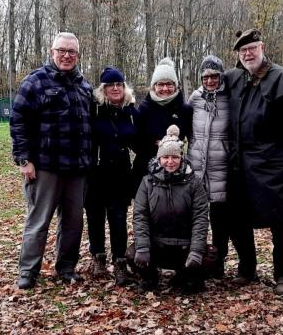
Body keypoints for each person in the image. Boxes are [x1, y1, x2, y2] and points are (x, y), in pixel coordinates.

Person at [225, 28, 283, 296]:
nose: (248, 54)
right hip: (239, 163)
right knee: (238, 219)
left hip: (272, 163)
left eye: (252, 49)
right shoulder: (235, 78)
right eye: (243, 51)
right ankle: (247, 268)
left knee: (279, 221)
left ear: (262, 48)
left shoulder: (282, 80)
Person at [10, 32, 92, 290]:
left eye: (72, 51)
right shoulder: (35, 82)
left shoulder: (84, 86)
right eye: (62, 50)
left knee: (73, 223)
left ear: (77, 55)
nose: (67, 55)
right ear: (52, 51)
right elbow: (18, 121)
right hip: (45, 167)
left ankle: (66, 268)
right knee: (38, 222)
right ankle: (28, 271)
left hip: (77, 168)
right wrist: (24, 159)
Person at [128, 125, 209, 293]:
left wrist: (196, 250)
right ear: (159, 159)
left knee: (209, 257)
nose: (170, 162)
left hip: (184, 245)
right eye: (165, 157)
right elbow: (140, 217)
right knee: (132, 253)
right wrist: (143, 247)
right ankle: (150, 278)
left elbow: (200, 218)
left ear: (182, 158)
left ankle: (184, 278)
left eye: (175, 157)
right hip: (157, 245)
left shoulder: (194, 183)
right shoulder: (147, 182)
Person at [85, 66, 138, 286]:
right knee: (95, 217)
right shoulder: (94, 109)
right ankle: (98, 257)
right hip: (96, 172)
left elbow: (139, 140)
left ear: (124, 88)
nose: (115, 88)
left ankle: (119, 262)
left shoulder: (130, 111)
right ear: (103, 89)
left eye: (119, 84)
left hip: (120, 173)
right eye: (110, 85)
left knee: (118, 219)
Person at [187, 55, 231, 278]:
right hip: (196, 166)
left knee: (220, 219)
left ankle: (218, 261)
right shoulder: (195, 98)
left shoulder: (229, 98)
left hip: (221, 166)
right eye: (206, 77)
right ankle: (195, 260)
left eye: (214, 76)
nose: (210, 81)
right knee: (197, 217)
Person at [132, 57, 193, 187]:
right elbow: (136, 143)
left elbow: (192, 141)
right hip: (146, 171)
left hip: (175, 170)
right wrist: (156, 143)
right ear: (154, 86)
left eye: (169, 84)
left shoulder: (185, 110)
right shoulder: (144, 108)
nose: (165, 88)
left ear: (175, 86)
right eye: (160, 84)